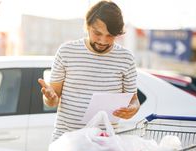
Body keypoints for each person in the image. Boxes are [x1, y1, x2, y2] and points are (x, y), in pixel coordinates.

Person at [38, 0, 140, 141]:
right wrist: (50, 98)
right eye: (97, 33)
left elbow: (133, 100)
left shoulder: (126, 58)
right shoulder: (66, 52)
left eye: (110, 35)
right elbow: (52, 99)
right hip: (66, 143)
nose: (103, 41)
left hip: (105, 144)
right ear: (87, 26)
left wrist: (133, 108)